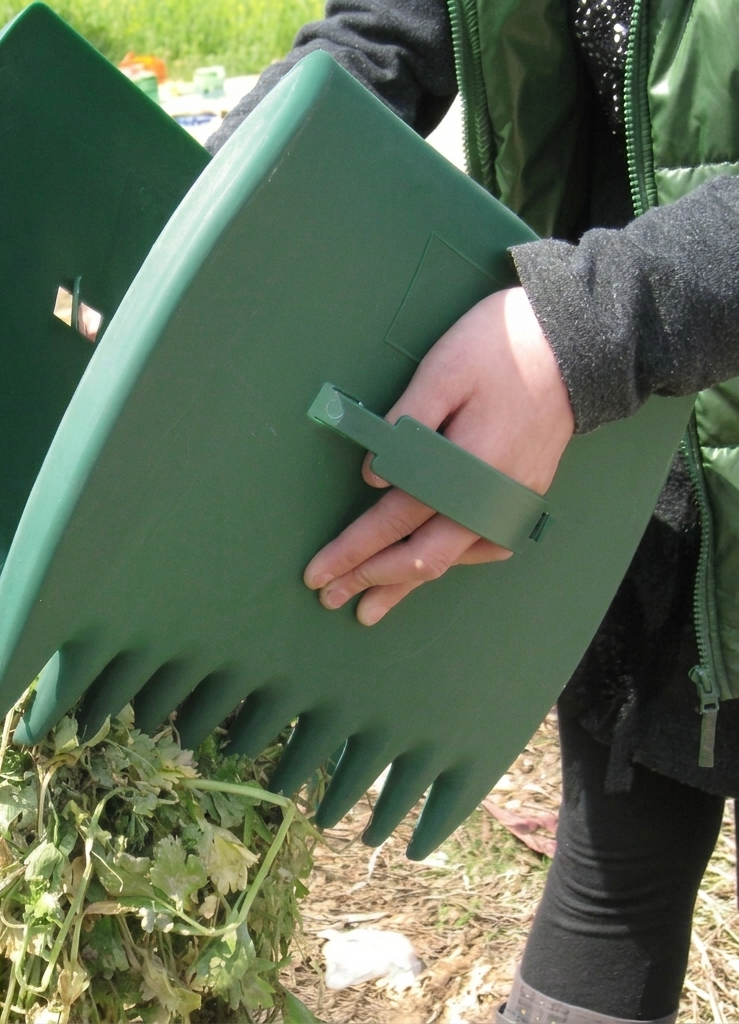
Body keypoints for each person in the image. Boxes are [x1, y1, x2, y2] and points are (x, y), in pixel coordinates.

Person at [206, 1, 739, 1021]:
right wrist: (206, 215)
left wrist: (584, 330)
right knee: (616, 858)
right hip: (639, 448)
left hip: (612, 350)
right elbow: (385, 37)